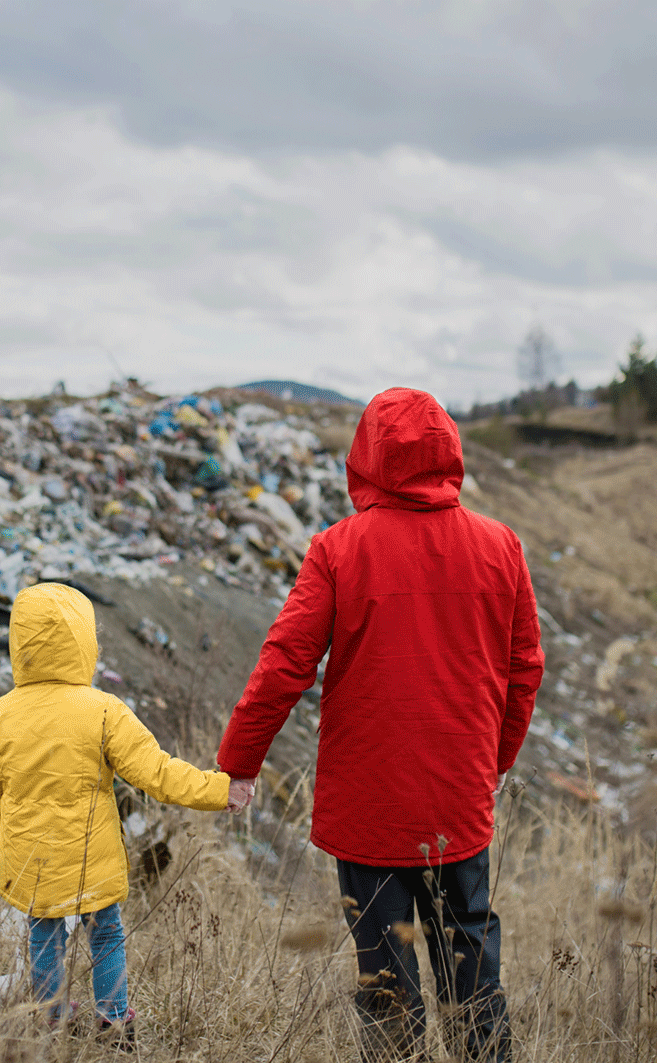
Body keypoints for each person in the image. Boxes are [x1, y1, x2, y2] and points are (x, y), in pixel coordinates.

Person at [217, 388, 544, 1062]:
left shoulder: (338, 549)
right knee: (472, 959)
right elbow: (524, 667)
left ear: (365, 457)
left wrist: (240, 760)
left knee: (385, 973)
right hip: (461, 797)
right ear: (449, 449)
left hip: (368, 809)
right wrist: (498, 760)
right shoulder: (500, 545)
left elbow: (285, 662)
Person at [0, 582, 253, 1050]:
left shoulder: (0, 715)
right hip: (91, 859)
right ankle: (115, 1023)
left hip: (30, 861)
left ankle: (49, 1019)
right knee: (106, 936)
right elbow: (157, 774)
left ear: (17, 644)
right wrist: (219, 790)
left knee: (43, 937)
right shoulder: (102, 709)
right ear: (85, 642)